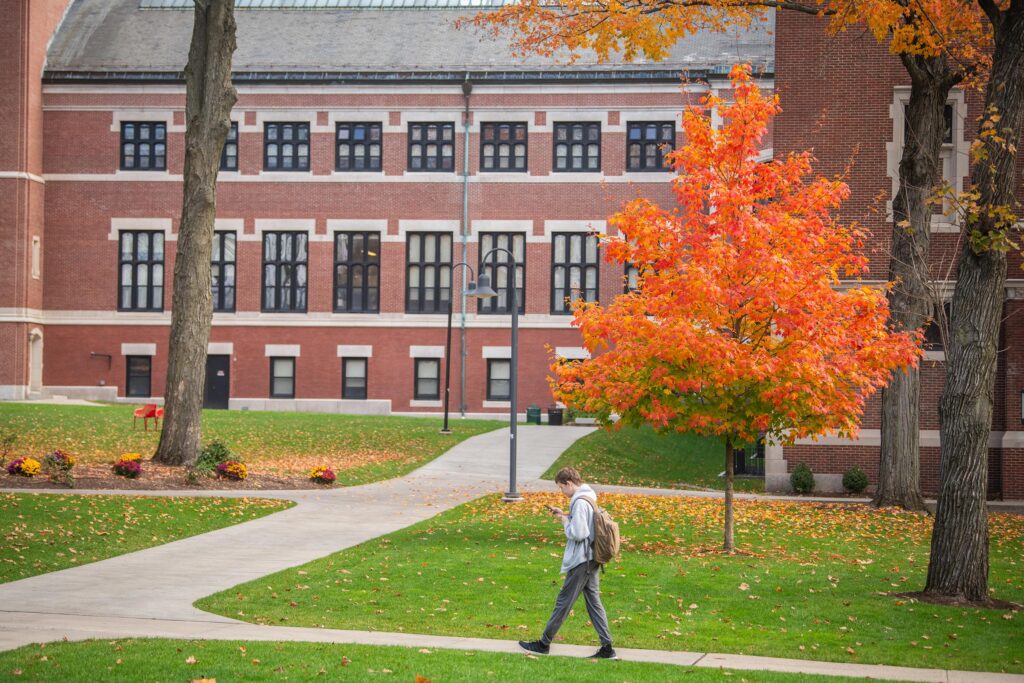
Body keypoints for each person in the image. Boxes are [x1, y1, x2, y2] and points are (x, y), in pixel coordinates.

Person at [518, 466, 616, 659]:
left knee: (564, 602)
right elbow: (585, 522)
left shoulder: (579, 502)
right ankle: (607, 648)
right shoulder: (589, 496)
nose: (561, 492)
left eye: (561, 488)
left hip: (582, 561)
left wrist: (564, 522)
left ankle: (544, 643)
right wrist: (564, 515)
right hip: (591, 559)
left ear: (569, 483)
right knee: (594, 603)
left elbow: (579, 533)